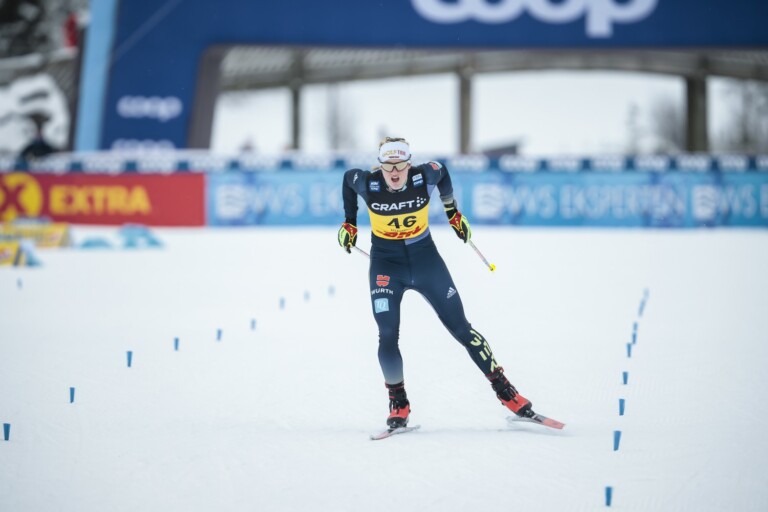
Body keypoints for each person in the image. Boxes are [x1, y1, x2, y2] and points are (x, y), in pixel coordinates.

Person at [338, 137, 535, 429]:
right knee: (387, 334)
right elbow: (347, 179)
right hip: (386, 266)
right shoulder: (368, 183)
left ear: (410, 164)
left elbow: (442, 171)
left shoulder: (424, 175)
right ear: (380, 166)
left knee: (461, 328)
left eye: (400, 165)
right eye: (388, 166)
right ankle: (399, 402)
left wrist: (452, 212)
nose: (394, 172)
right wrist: (350, 222)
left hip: (426, 261)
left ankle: (506, 391)